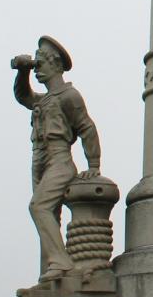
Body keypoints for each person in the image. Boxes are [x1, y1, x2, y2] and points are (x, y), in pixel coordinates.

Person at [11, 37, 101, 283]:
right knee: (49, 215)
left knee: (38, 207)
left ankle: (61, 262)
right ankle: (49, 273)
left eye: (40, 64)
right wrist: (23, 71)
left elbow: (87, 128)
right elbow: (23, 96)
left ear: (55, 64)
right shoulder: (43, 99)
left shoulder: (69, 96)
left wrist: (93, 165)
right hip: (39, 158)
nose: (37, 69)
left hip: (59, 158)